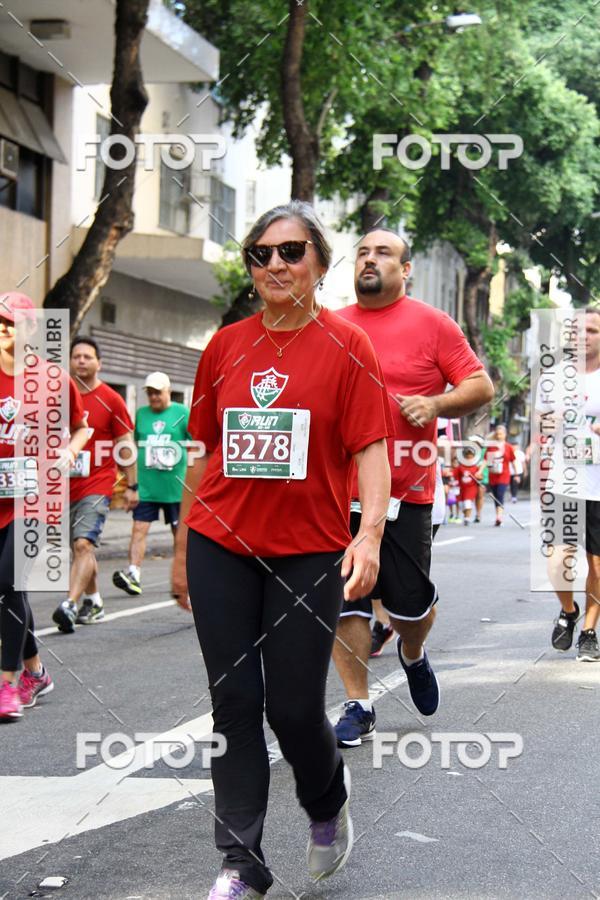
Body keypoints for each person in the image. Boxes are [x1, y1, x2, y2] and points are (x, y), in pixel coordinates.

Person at [171, 201, 392, 899]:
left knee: (294, 709)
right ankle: (241, 862)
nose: (274, 265)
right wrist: (181, 549)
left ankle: (327, 803)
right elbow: (202, 456)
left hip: (308, 550)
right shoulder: (225, 346)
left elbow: (371, 450)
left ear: (319, 265)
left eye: (291, 252)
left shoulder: (349, 347)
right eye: (260, 254)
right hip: (220, 543)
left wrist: (371, 533)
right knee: (233, 700)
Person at [332, 228, 493, 749]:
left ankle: (413, 651)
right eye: (362, 253)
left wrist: (436, 404)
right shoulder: (331, 326)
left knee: (409, 610)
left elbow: (480, 385)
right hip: (338, 494)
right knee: (345, 600)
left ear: (406, 270)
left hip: (407, 493)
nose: (369, 260)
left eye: (383, 253)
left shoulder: (433, 324)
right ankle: (358, 704)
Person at [0, 293, 88, 721]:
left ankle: (8, 685)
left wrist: (69, 452)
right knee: (4, 591)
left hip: (35, 499)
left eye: (10, 322)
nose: (2, 328)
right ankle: (36, 670)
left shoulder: (52, 379)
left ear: (30, 330)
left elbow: (82, 428)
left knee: (9, 581)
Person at [52, 336, 137, 633]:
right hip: (65, 486)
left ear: (99, 363)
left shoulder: (111, 399)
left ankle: (70, 605)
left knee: (83, 543)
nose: (82, 361)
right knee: (80, 551)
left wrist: (132, 485)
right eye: (76, 356)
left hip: (98, 484)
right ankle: (95, 600)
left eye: (88, 356)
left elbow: (125, 445)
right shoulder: (60, 399)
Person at [540, 308, 600, 661]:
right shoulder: (554, 376)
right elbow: (542, 424)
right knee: (558, 560)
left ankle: (590, 629)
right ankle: (569, 610)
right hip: (566, 481)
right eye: (578, 330)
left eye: (592, 330)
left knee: (598, 565)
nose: (583, 336)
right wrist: (551, 421)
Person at [113, 372, 189, 596]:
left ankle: (183, 575)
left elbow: (198, 446)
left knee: (179, 533)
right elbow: (133, 447)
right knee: (138, 528)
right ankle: (133, 574)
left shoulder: (182, 413)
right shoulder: (142, 414)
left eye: (158, 392)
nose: (154, 397)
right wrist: (130, 484)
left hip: (175, 487)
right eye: (150, 393)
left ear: (168, 390)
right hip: (147, 487)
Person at [485, 424, 515, 526]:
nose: (499, 436)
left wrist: (517, 475)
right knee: (496, 496)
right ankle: (498, 514)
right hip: (493, 475)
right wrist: (480, 471)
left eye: (501, 434)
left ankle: (499, 517)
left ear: (505, 435)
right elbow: (486, 461)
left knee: (500, 494)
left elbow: (513, 461)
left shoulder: (508, 447)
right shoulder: (491, 447)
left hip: (504, 475)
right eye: (497, 434)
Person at [454, 445, 480, 525]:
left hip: (471, 488)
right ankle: (466, 515)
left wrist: (479, 477)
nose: (469, 459)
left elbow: (480, 477)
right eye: (467, 457)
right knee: (462, 505)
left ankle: (467, 518)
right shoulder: (460, 467)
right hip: (462, 489)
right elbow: (455, 476)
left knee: (467, 502)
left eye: (471, 457)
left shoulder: (475, 467)